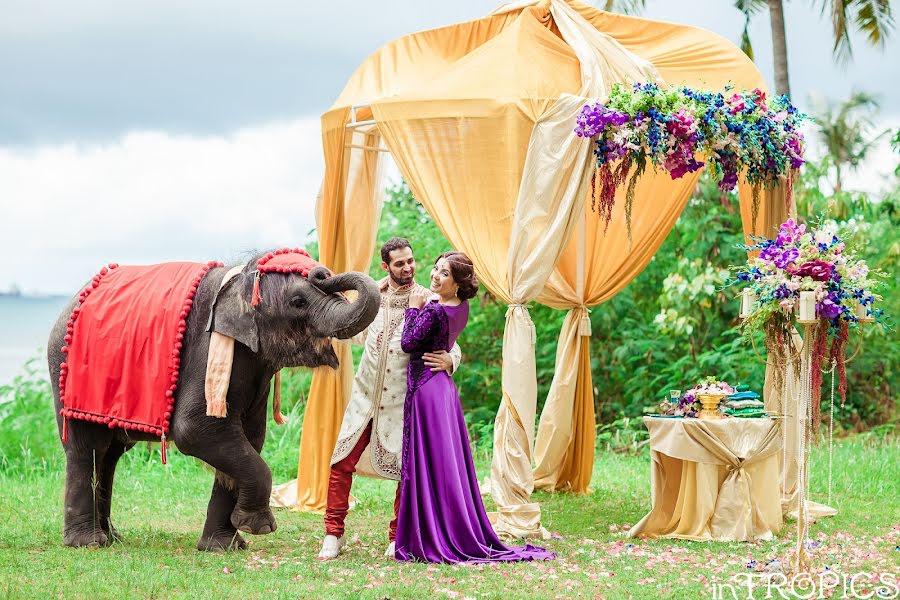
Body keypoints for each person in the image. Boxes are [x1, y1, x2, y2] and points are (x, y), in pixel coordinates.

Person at [394, 251, 555, 563]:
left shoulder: (433, 311)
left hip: (426, 391)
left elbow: (408, 343)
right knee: (443, 464)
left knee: (431, 464)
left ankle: (434, 534)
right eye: (436, 269)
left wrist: (413, 310)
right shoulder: (459, 307)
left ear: (456, 284)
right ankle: (441, 526)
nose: (435, 276)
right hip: (442, 390)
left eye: (444, 274)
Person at [318, 238, 461, 560]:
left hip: (401, 403)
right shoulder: (371, 299)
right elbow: (352, 330)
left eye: (410, 261)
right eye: (400, 263)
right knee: (341, 464)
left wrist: (452, 360)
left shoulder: (427, 299)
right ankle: (332, 533)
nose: (408, 268)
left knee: (404, 471)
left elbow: (448, 339)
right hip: (364, 397)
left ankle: (397, 536)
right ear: (386, 266)